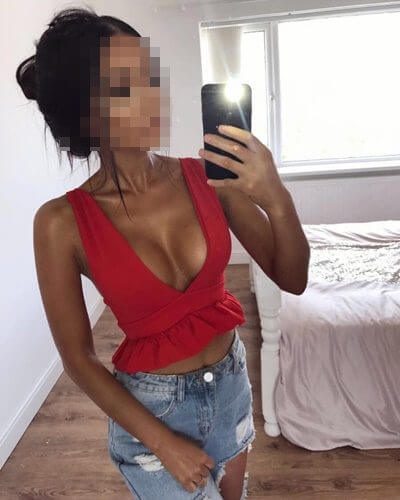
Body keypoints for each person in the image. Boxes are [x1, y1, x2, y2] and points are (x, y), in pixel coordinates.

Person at [18, 6, 309, 500]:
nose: (152, 96)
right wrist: (163, 443)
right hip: (152, 415)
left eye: (149, 76)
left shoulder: (208, 177)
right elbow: (78, 359)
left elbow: (293, 278)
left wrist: (276, 195)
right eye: (123, 88)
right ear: (86, 114)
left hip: (231, 386)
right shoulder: (60, 223)